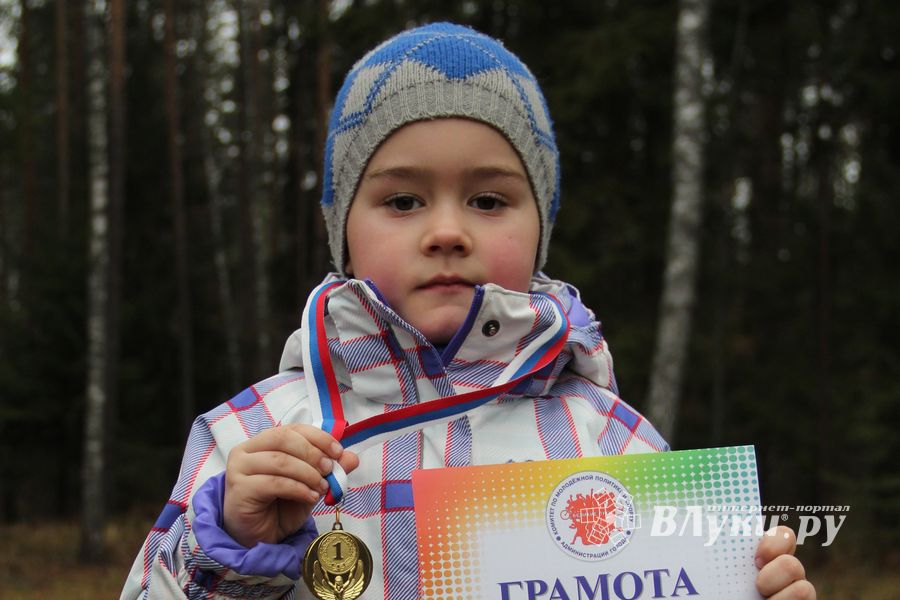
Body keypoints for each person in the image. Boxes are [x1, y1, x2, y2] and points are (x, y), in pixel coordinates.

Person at [122, 22, 815, 600]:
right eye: (402, 201)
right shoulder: (251, 441)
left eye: (488, 201)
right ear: (342, 229)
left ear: (540, 227)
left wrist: (747, 587)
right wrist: (232, 546)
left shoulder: (608, 441)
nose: (447, 231)